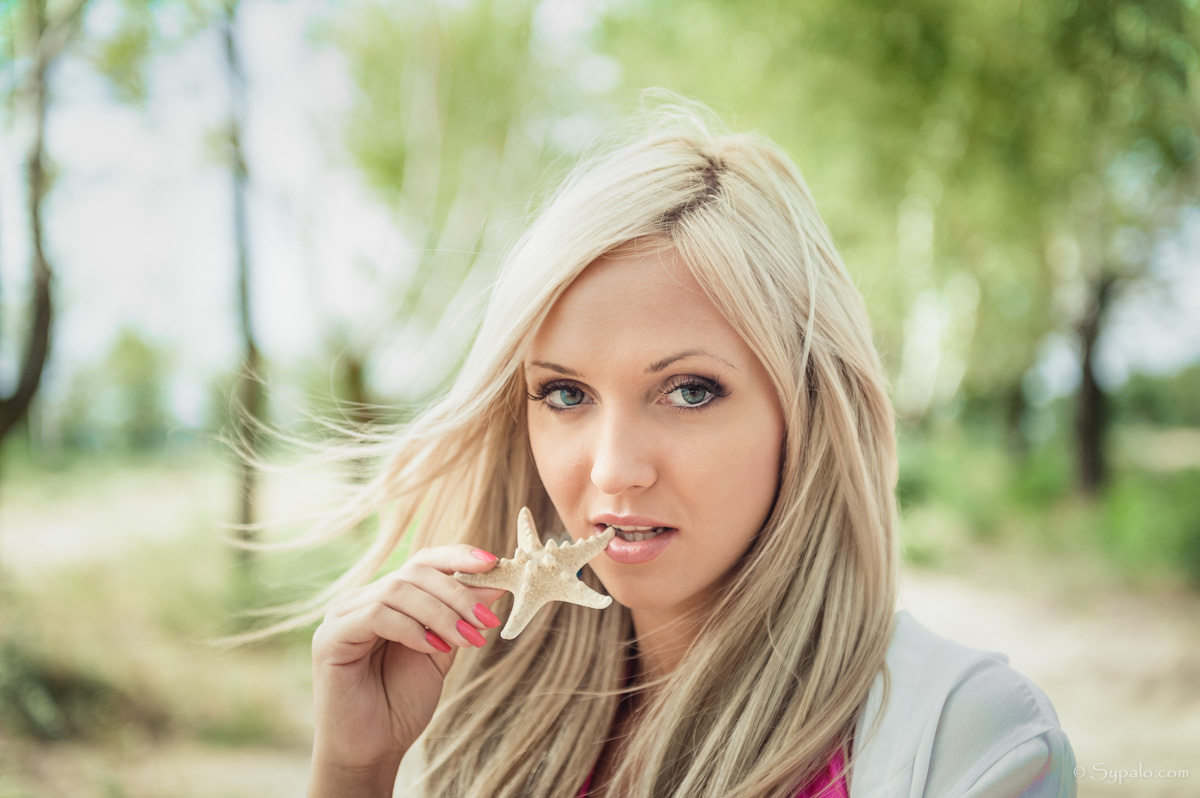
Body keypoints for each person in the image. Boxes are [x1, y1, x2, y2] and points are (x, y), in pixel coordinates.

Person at [298, 100, 1076, 797]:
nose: (613, 470)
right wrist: (356, 770)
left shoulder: (970, 737)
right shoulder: (496, 725)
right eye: (565, 394)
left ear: (805, 411)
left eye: (690, 391)